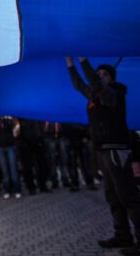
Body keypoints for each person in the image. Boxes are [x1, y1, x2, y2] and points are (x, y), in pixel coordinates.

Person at [66, 57, 140, 255]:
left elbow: (95, 84)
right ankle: (122, 235)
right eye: (98, 74)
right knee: (113, 196)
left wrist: (83, 62)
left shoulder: (114, 95)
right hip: (103, 150)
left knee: (128, 196)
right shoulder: (94, 96)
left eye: (104, 74)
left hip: (116, 149)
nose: (100, 77)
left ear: (112, 78)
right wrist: (70, 64)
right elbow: (79, 85)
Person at [0, 117, 22, 199]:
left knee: (13, 169)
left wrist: (6, 120)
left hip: (10, 146)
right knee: (4, 170)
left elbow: (12, 129)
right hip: (0, 147)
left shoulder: (10, 120)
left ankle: (17, 189)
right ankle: (7, 190)